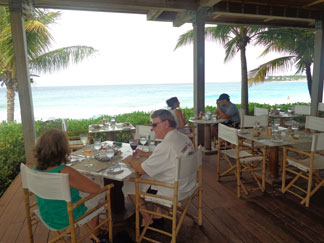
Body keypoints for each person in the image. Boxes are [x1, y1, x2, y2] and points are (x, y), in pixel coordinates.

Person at [122, 109, 195, 227]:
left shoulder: (167, 145)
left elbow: (141, 169)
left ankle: (147, 219)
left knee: (129, 184)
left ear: (166, 123)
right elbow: (168, 156)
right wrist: (145, 154)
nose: (152, 128)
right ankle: (157, 214)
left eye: (155, 125)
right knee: (155, 173)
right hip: (188, 183)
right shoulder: (182, 137)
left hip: (172, 190)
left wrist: (131, 160)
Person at [33, 129, 105, 240]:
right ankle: (94, 232)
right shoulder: (64, 171)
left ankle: (73, 234)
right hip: (67, 217)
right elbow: (95, 189)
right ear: (62, 149)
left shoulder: (35, 169)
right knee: (100, 191)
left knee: (79, 191)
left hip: (47, 214)